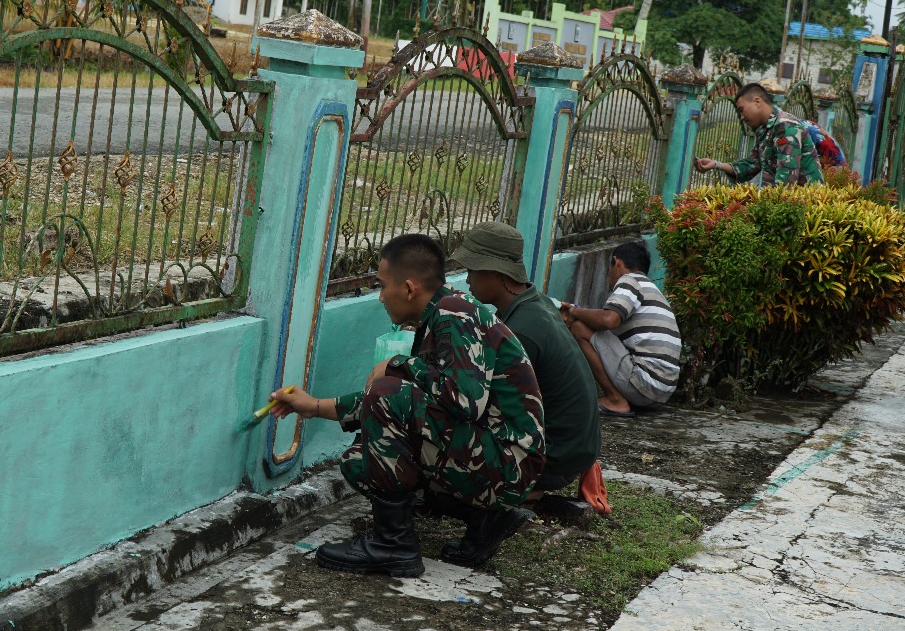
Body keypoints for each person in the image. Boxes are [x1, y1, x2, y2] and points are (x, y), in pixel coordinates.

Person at [268, 234, 546, 575]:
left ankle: (392, 545)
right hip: (491, 457)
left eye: (383, 286)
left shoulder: (453, 317)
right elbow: (417, 402)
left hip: (508, 465)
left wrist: (399, 364)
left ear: (410, 288)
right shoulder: (441, 315)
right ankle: (484, 519)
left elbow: (464, 401)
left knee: (387, 393)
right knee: (361, 460)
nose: (381, 297)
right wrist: (312, 406)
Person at [449, 223, 602, 510]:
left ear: (495, 272)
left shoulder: (522, 330)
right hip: (573, 450)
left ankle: (516, 487)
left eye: (472, 270)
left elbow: (482, 405)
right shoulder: (536, 303)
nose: (467, 279)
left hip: (556, 460)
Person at [562, 242, 681, 417]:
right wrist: (578, 310)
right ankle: (621, 398)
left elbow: (608, 320)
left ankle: (615, 400)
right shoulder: (652, 289)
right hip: (662, 391)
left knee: (579, 328)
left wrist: (575, 313)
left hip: (645, 382)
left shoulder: (629, 281)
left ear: (616, 262)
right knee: (587, 325)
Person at [693, 82, 824, 186]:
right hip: (783, 204)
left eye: (741, 110)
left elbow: (787, 181)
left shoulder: (785, 126)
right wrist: (716, 164)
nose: (742, 117)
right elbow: (752, 165)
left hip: (804, 207)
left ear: (757, 101)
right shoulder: (764, 129)